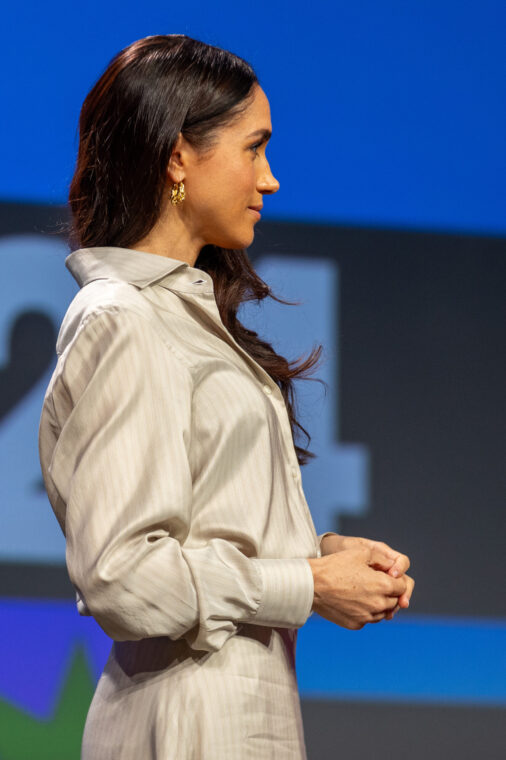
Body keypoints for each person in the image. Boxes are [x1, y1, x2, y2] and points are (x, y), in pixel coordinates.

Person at [38, 34, 414, 760]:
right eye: (253, 148)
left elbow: (208, 531)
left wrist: (327, 556)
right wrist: (304, 583)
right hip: (186, 717)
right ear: (178, 157)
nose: (269, 179)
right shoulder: (123, 318)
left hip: (237, 708)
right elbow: (123, 576)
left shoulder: (183, 316)